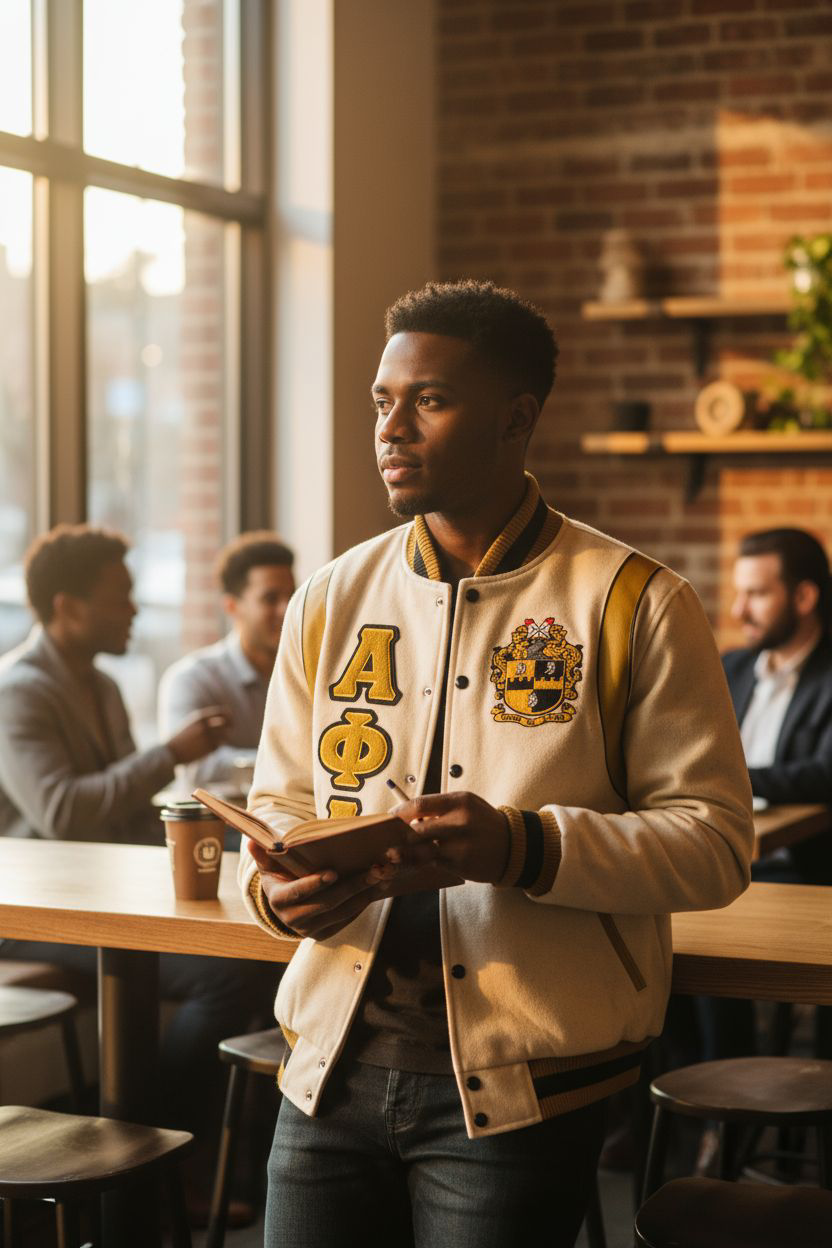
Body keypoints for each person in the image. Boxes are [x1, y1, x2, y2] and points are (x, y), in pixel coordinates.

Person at [238, 279, 754, 1248]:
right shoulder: (331, 596)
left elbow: (717, 845)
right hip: (325, 1070)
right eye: (382, 402)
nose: (392, 428)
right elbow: (279, 805)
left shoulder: (633, 602)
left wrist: (522, 846)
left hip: (519, 1089)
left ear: (517, 419)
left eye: (428, 401)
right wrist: (279, 894)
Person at [0, 524, 277, 1211]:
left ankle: (211, 1160)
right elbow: (65, 812)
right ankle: (157, 1160)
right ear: (68, 607)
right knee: (224, 971)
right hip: (29, 909)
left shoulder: (99, 685)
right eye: (120, 598)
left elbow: (120, 810)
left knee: (262, 958)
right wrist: (169, 752)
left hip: (93, 893)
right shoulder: (18, 691)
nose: (133, 611)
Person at [695, 529, 832, 1082]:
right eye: (738, 592)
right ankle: (694, 1105)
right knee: (651, 936)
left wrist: (733, 779)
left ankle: (728, 1107)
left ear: (803, 598)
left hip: (804, 869)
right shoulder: (731, 667)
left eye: (756, 594)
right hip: (723, 855)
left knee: (706, 927)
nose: (738, 609)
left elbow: (827, 772)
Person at [158, 531, 295, 795]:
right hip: (216, 831)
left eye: (292, 596)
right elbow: (197, 768)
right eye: (270, 599)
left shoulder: (309, 675)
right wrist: (289, 766)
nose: (286, 609)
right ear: (232, 606)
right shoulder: (191, 678)